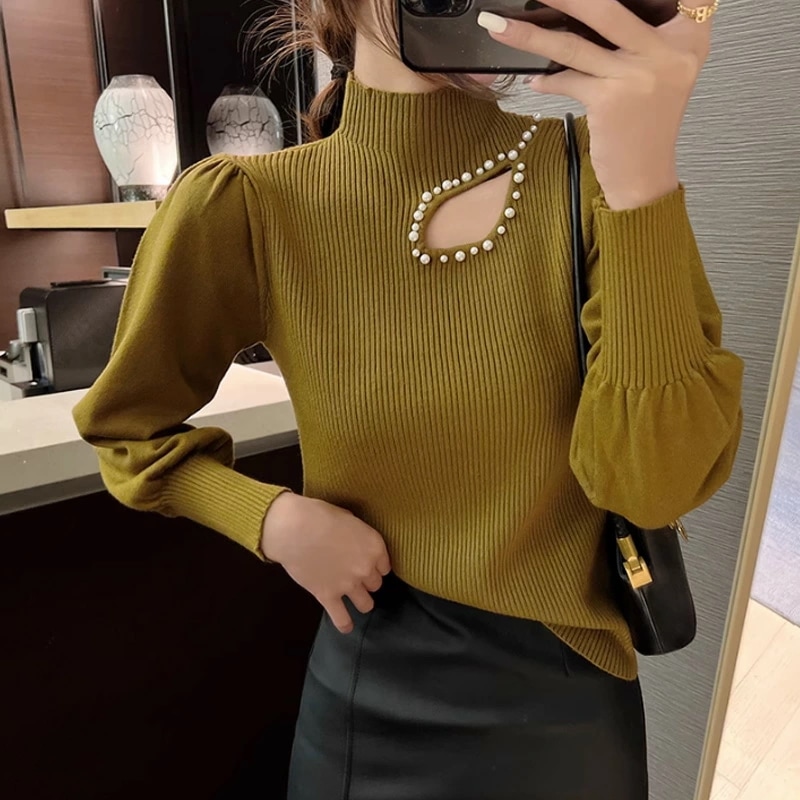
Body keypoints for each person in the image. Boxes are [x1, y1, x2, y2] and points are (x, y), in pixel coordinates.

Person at [73, 1, 743, 797]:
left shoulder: (600, 172)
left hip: (566, 711)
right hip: (368, 697)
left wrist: (642, 176)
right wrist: (273, 521)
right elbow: (126, 426)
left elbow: (653, 486)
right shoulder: (250, 203)